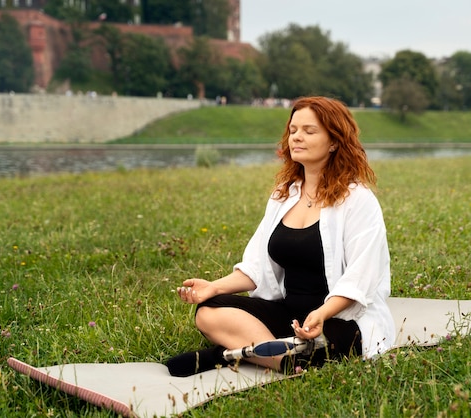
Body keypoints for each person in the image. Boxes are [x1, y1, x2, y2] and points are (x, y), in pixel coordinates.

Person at [166, 96, 395, 377]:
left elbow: (361, 277)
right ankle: (282, 358)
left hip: (338, 318)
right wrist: (214, 287)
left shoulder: (358, 199)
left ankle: (234, 353)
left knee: (329, 342)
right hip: (289, 315)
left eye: (309, 131)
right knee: (208, 310)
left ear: (334, 141)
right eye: (293, 130)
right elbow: (257, 268)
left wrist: (322, 314)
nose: (296, 137)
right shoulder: (284, 195)